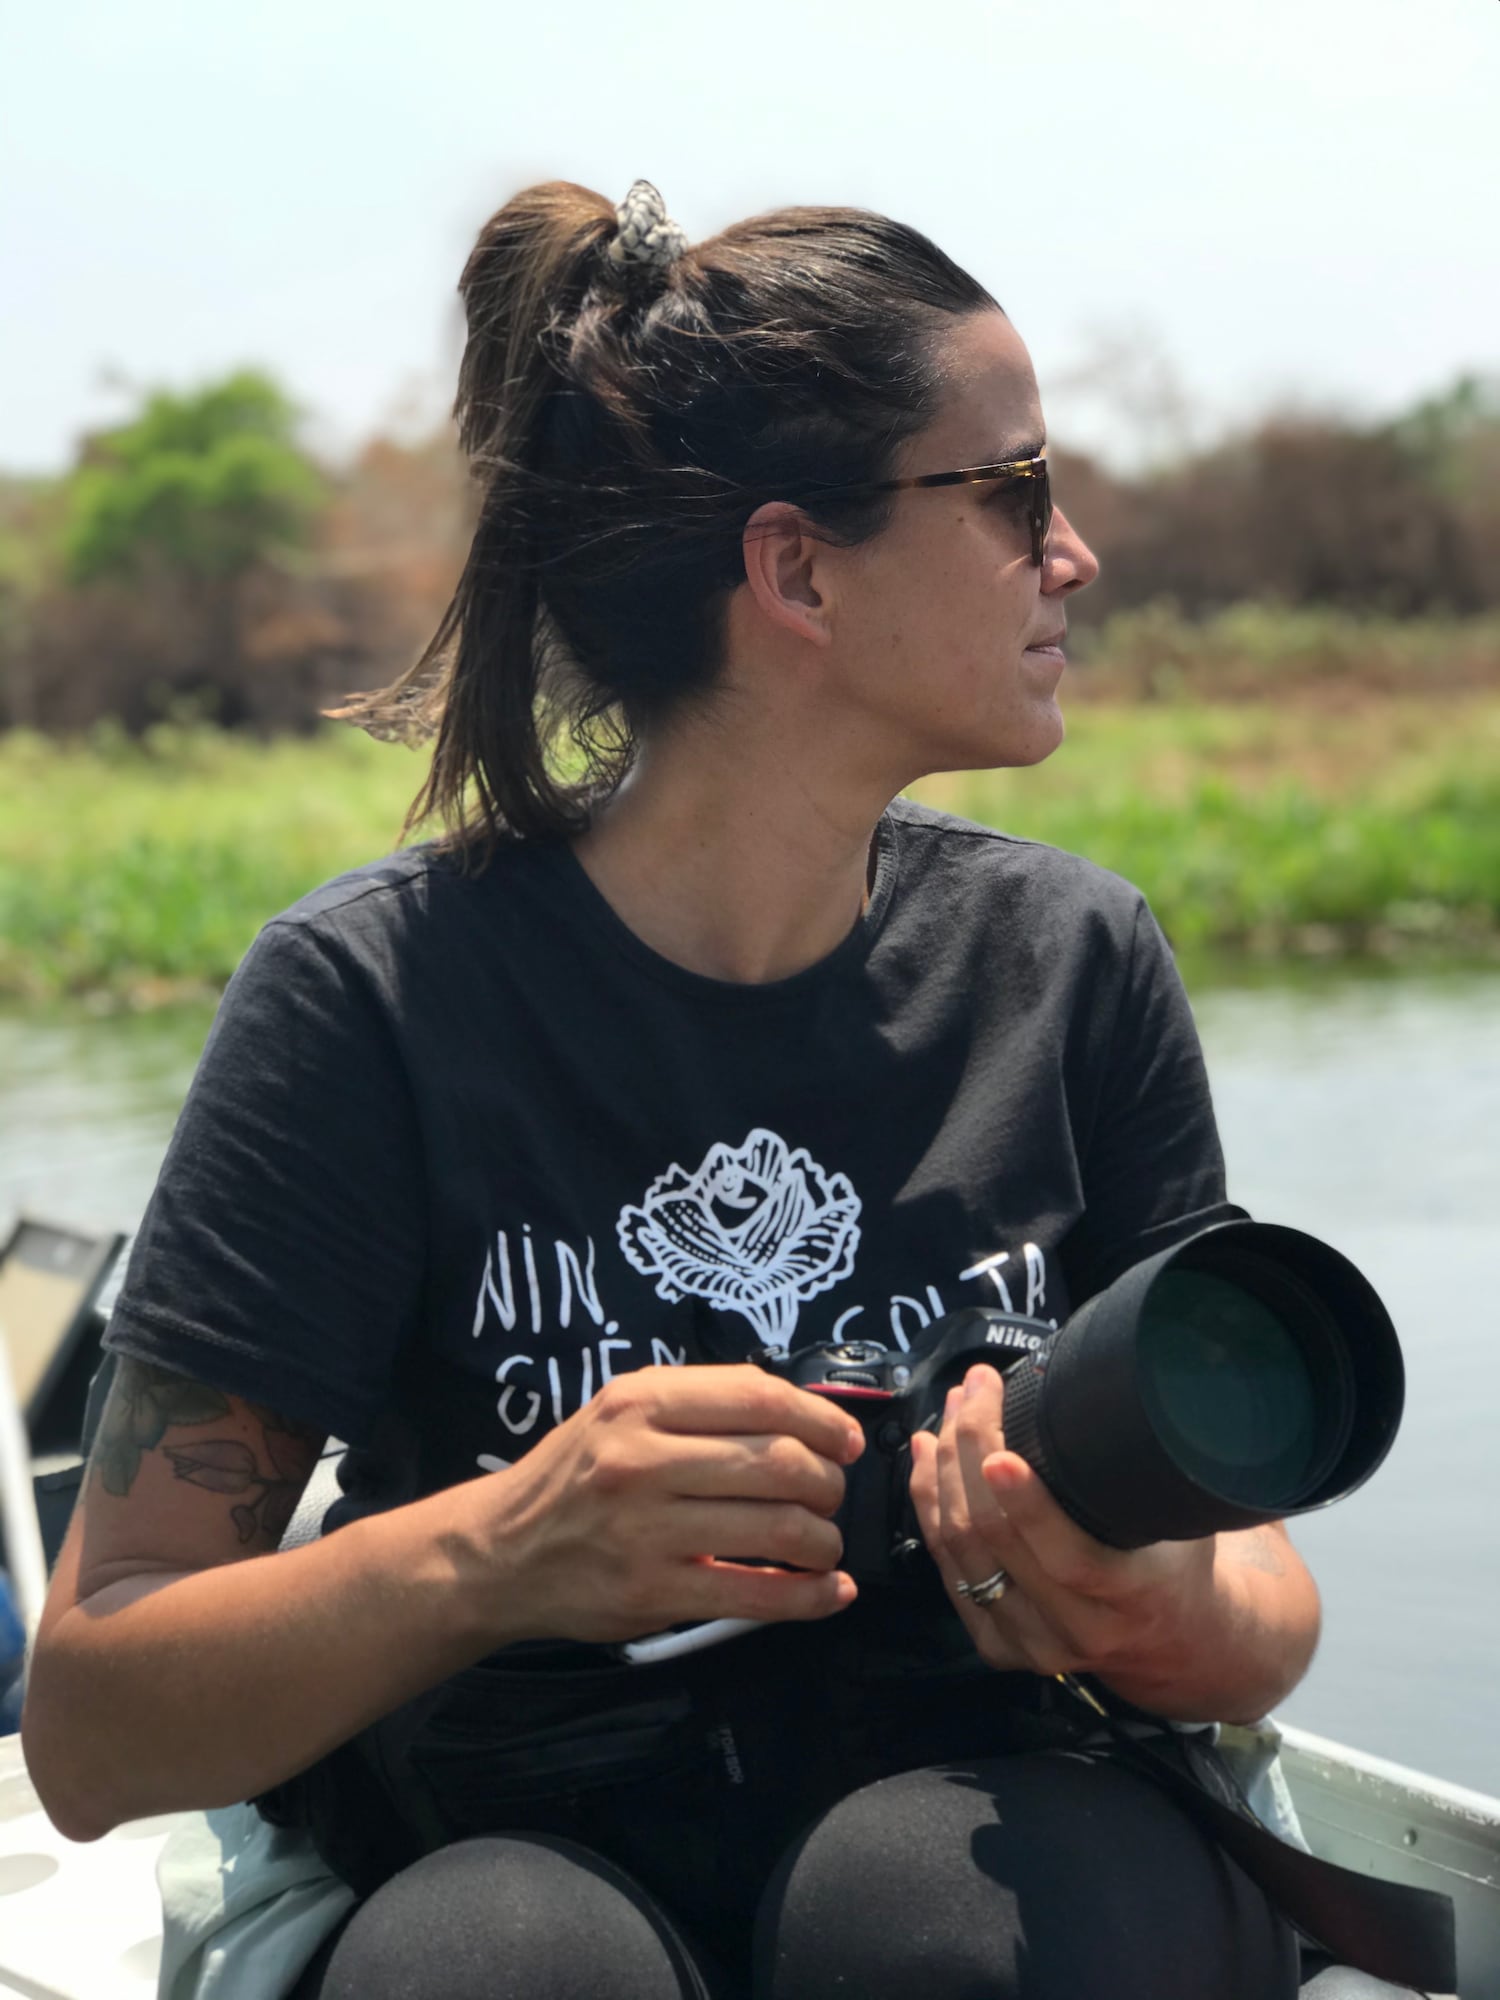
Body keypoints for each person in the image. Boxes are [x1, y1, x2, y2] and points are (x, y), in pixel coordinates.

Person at [23, 180, 1405, 2000]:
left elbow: (1263, 1613)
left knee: (942, 1922)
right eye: (1011, 493)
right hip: (508, 1846)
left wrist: (1148, 1607)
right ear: (796, 569)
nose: (1072, 553)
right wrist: (507, 1544)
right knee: (506, 1967)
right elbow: (92, 1724)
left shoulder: (1069, 964)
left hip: (991, 1809)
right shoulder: (369, 1001)